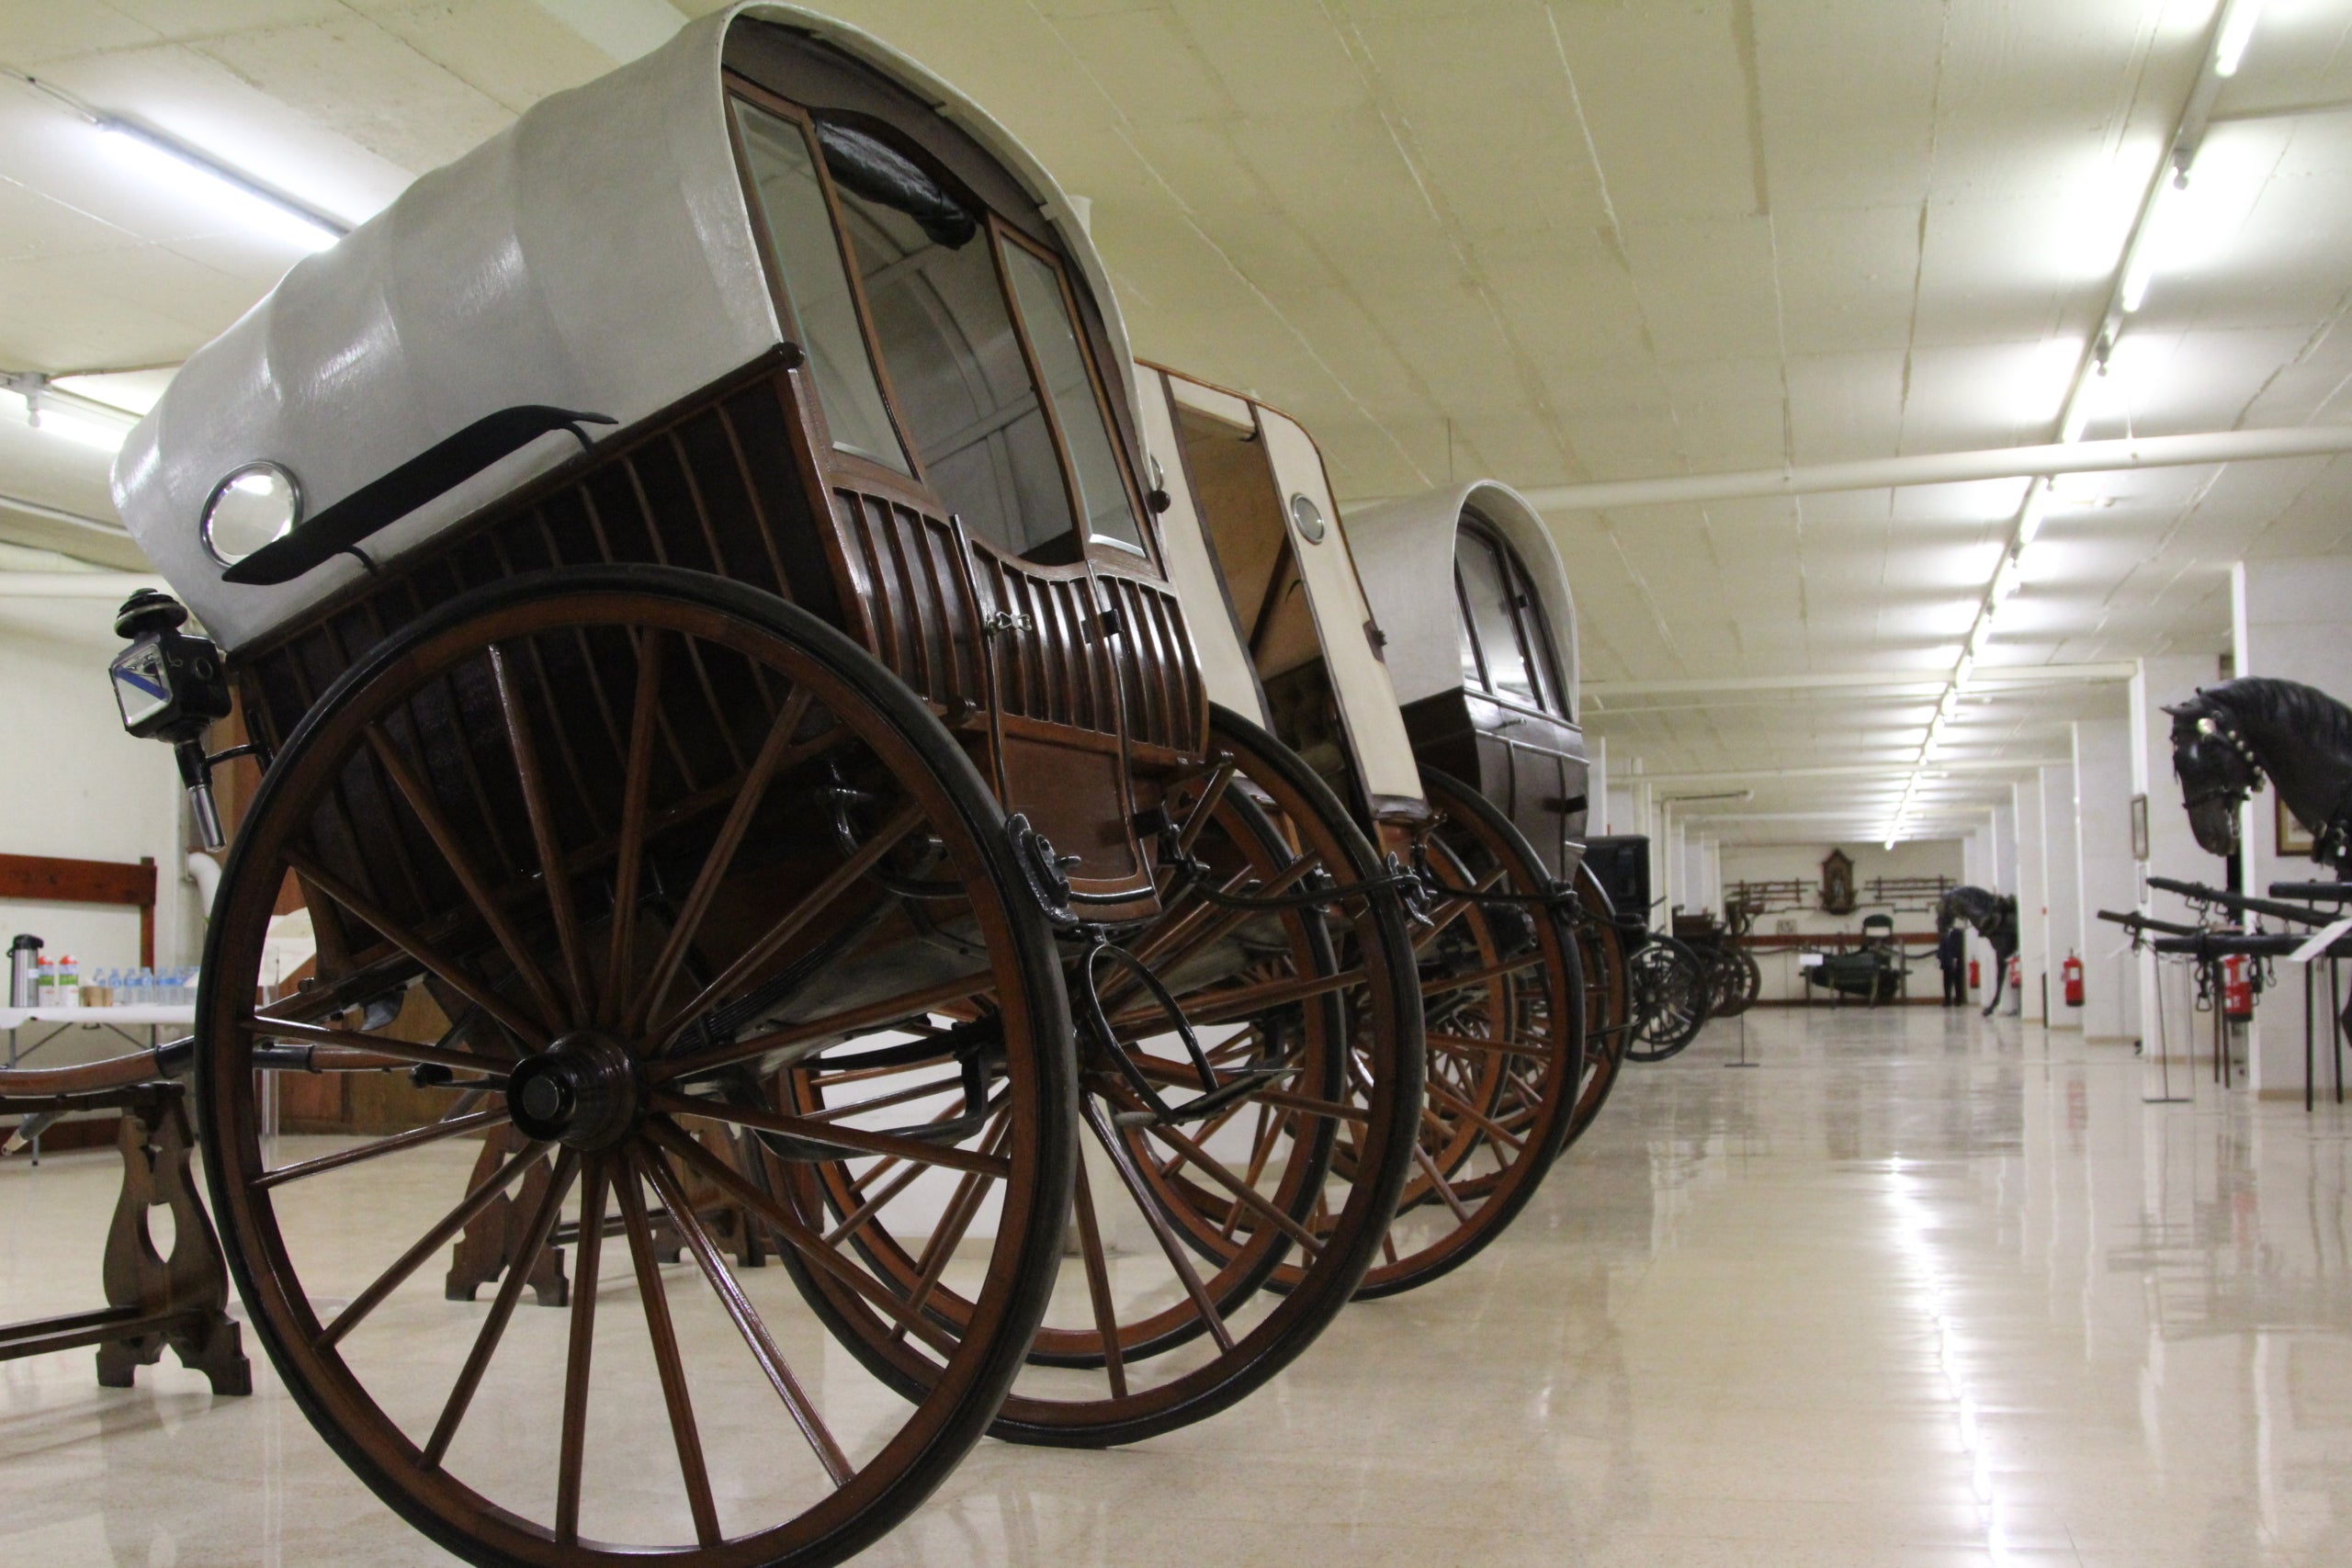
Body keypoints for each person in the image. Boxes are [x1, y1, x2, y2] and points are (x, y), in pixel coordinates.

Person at [1937, 923, 1966, 1008]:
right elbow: (1942, 947)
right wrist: (1939, 957)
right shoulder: (1945, 934)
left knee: (1957, 981)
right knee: (1946, 982)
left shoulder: (1957, 933)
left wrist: (1955, 957)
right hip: (1946, 961)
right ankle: (1947, 999)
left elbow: (1958, 946)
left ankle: (1958, 999)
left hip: (1954, 960)